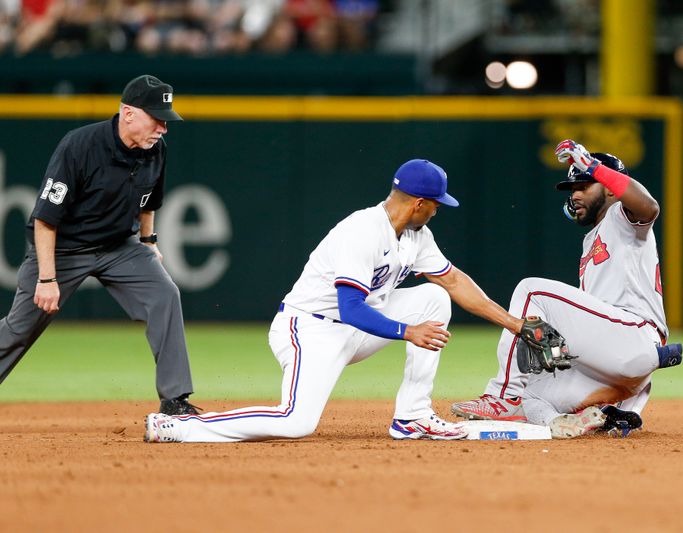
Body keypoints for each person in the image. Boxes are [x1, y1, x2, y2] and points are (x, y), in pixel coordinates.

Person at [144, 159, 532, 443]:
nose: (438, 210)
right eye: (436, 204)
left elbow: (455, 282)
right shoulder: (362, 231)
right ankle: (180, 427)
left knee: (434, 296)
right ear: (418, 203)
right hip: (310, 329)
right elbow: (350, 307)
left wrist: (517, 325)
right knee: (296, 422)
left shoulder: (416, 237)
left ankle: (413, 416)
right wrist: (406, 331)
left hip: (358, 328)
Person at [451, 139, 683, 438]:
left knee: (531, 290)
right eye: (572, 189)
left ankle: (501, 396)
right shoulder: (593, 239)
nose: (575, 195)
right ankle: (574, 419)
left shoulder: (622, 219)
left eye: (583, 186)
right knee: (532, 391)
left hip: (634, 336)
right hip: (616, 362)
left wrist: (595, 168)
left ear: (610, 188)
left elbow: (649, 206)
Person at [0, 74, 198, 416]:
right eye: (157, 119)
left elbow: (149, 202)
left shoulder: (155, 149)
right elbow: (46, 219)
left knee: (165, 294)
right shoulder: (80, 145)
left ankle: (174, 400)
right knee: (20, 328)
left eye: (166, 121)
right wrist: (47, 279)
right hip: (62, 249)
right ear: (128, 113)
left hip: (119, 247)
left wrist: (148, 242)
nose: (163, 129)